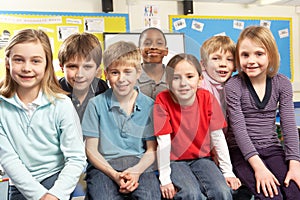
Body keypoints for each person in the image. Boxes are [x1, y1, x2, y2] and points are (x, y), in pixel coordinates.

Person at [0, 28, 86, 200]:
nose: (26, 68)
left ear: (47, 64)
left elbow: (76, 158)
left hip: (56, 181)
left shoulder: (62, 104)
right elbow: (8, 159)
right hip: (20, 185)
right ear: (8, 62)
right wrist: (40, 196)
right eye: (18, 60)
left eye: (35, 61)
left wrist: (55, 195)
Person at [225, 25, 300, 199]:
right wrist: (259, 168)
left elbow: (288, 126)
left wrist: (295, 165)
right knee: (272, 196)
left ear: (270, 55)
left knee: (294, 192)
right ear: (238, 58)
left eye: (259, 54)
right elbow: (239, 130)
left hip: (272, 149)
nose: (251, 60)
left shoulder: (282, 83)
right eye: (245, 55)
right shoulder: (234, 86)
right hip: (242, 154)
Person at [81, 41, 161, 200]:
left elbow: (151, 150)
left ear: (138, 73)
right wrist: (114, 175)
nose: (121, 78)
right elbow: (91, 150)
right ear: (106, 74)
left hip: (139, 164)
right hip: (103, 166)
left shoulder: (150, 106)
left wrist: (136, 171)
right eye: (115, 72)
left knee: (150, 196)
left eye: (127, 72)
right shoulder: (95, 105)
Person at [154, 53, 236, 200]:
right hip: (174, 161)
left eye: (189, 77)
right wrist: (165, 179)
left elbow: (218, 137)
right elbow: (163, 142)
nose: (183, 83)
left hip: (202, 159)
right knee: (191, 194)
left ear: (200, 79)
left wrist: (227, 172)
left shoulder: (207, 98)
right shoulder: (162, 100)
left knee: (223, 191)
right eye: (176, 78)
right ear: (167, 81)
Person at [200, 35, 252, 199]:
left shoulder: (231, 86)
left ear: (235, 66)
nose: (223, 64)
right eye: (216, 58)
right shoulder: (201, 85)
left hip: (223, 144)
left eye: (229, 60)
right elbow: (208, 129)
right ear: (203, 64)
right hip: (204, 148)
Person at [58, 32, 108, 122]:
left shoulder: (102, 88)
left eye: (87, 67)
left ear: (97, 68)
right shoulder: (53, 92)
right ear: (62, 67)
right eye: (72, 66)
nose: (80, 75)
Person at [137, 27, 169, 100]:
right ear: (139, 50)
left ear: (166, 51)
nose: (153, 47)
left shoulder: (175, 78)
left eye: (159, 43)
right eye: (147, 43)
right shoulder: (130, 79)